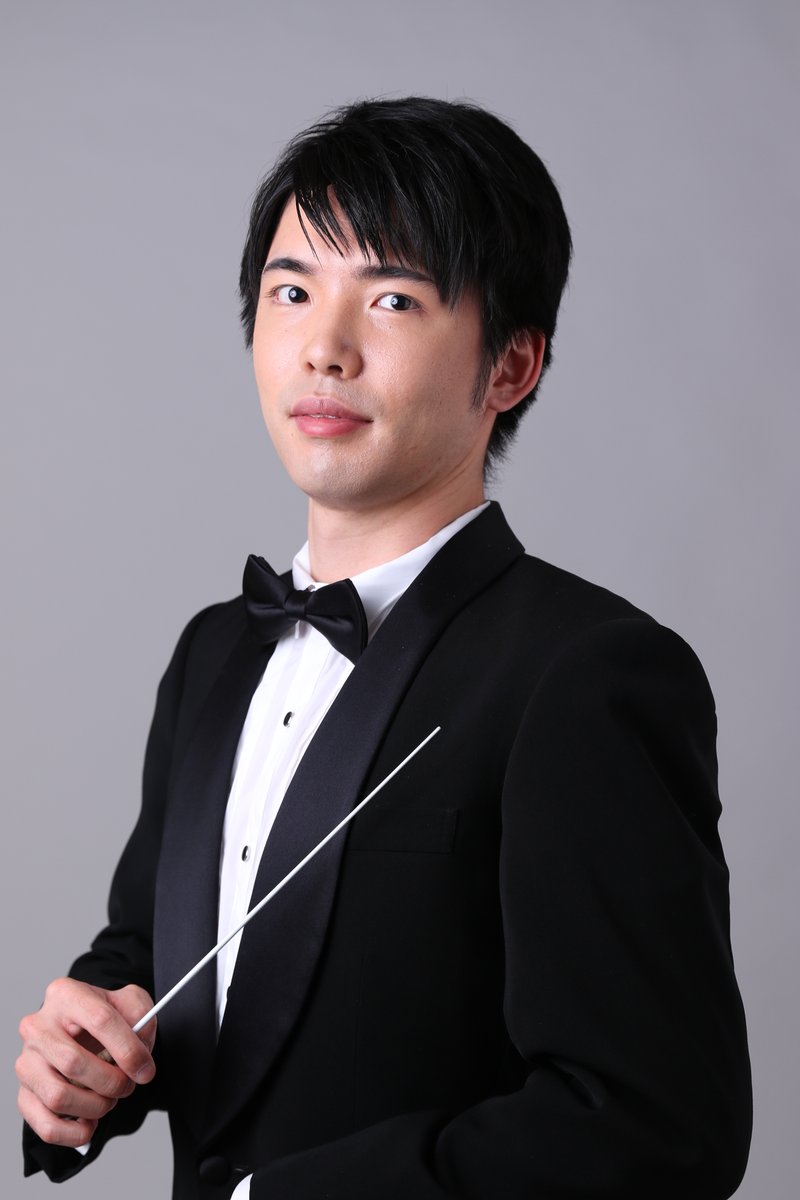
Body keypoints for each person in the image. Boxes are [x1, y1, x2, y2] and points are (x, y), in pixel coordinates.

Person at [16, 97, 752, 1199]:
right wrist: (84, 1059)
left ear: (509, 367)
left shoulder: (589, 673)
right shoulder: (214, 651)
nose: (324, 347)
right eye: (292, 292)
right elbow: (155, 958)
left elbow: (655, 1125)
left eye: (393, 299)